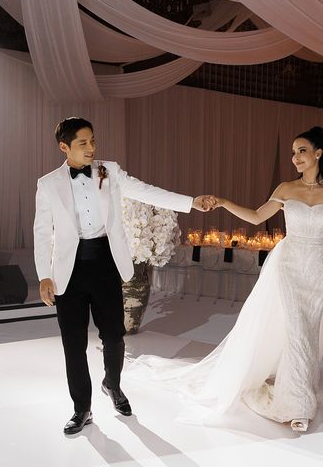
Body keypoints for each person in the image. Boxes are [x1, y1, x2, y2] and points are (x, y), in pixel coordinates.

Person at [130, 126, 323, 433]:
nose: (295, 158)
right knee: (297, 328)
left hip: (319, 265)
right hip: (289, 262)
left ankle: (294, 390)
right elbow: (256, 217)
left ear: (318, 153)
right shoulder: (286, 189)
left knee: (308, 329)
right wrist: (223, 202)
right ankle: (298, 406)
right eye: (292, 152)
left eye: (301, 150)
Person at [34, 117, 215, 435]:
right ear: (65, 147)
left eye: (93, 141)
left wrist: (190, 203)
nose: (91, 148)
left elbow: (147, 192)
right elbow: (41, 232)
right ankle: (82, 409)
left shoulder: (108, 171)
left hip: (105, 263)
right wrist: (44, 276)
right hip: (68, 271)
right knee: (73, 344)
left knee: (114, 335)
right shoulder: (48, 183)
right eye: (83, 143)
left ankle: (112, 385)